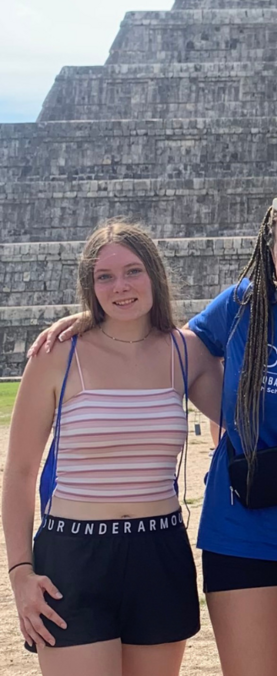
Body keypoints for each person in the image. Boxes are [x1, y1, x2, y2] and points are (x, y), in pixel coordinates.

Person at [29, 192, 277, 676]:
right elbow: (169, 347)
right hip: (241, 532)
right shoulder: (240, 306)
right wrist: (94, 321)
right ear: (270, 253)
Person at [3, 220, 223, 676]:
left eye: (133, 271)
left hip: (159, 552)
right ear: (90, 285)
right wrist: (20, 571)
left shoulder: (188, 353)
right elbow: (21, 471)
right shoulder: (57, 355)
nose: (120, 286)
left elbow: (248, 417)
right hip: (73, 559)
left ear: (155, 277)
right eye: (105, 276)